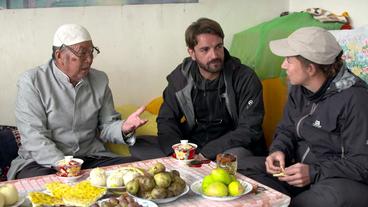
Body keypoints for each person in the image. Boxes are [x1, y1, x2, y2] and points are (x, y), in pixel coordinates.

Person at [243, 27, 368, 207]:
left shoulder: (356, 100)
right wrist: (278, 150)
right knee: (241, 169)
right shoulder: (298, 88)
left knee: (324, 199)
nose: (283, 65)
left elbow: (363, 164)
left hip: (339, 181)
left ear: (310, 68)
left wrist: (314, 173)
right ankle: (285, 200)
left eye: (288, 60)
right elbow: (286, 129)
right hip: (299, 172)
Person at [7, 24, 147, 180]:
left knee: (135, 172)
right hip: (43, 163)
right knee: (45, 189)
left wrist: (123, 128)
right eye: (82, 53)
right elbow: (34, 136)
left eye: (91, 52)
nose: (89, 59)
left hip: (90, 157)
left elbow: (107, 126)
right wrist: (65, 165)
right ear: (59, 55)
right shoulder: (32, 82)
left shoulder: (100, 80)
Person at [130, 18, 267, 164]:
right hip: (193, 144)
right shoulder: (181, 77)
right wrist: (177, 153)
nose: (214, 55)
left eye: (218, 47)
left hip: (231, 145)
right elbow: (166, 119)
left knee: (233, 161)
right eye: (205, 49)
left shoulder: (244, 77)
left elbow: (249, 129)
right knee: (139, 145)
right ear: (192, 53)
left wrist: (205, 153)